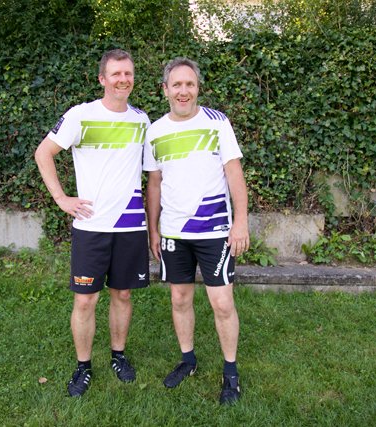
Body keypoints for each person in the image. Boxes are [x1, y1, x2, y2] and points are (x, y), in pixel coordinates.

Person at [34, 49, 151, 397]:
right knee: (85, 300)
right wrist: (61, 198)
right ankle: (83, 366)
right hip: (91, 226)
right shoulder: (80, 115)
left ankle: (118, 355)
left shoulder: (141, 120)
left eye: (128, 73)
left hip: (130, 224)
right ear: (102, 79)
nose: (123, 79)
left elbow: (152, 173)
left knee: (123, 294)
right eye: (116, 74)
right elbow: (43, 153)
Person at [143, 57, 250, 405]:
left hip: (215, 230)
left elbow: (234, 173)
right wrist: (154, 230)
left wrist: (240, 221)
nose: (183, 91)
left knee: (222, 302)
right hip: (174, 233)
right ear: (165, 90)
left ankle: (230, 373)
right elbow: (154, 183)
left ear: (198, 88)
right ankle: (188, 360)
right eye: (177, 84)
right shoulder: (155, 131)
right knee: (179, 298)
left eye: (189, 84)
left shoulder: (217, 122)